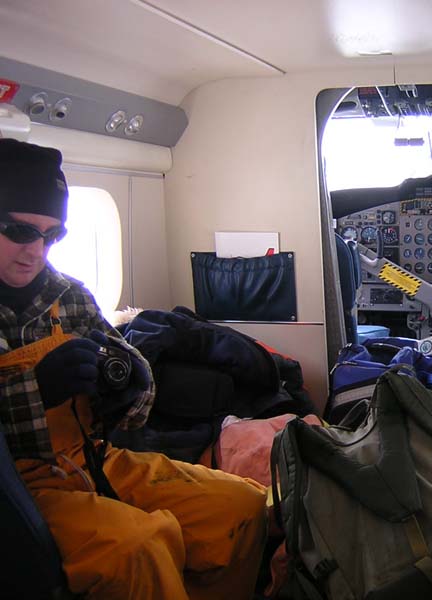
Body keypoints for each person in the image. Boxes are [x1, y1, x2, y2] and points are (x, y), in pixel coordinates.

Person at [0, 138, 268, 600]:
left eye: (52, 235)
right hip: (19, 486)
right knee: (138, 546)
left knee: (241, 504)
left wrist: (126, 384)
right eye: (20, 231)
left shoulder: (70, 294)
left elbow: (128, 363)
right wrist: (37, 389)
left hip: (92, 458)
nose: (36, 251)